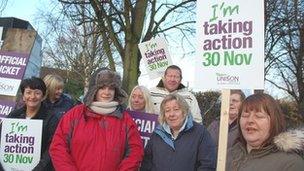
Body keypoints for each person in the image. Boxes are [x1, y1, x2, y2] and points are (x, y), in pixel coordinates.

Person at [49, 69, 144, 170]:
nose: (107, 92)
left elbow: (135, 151)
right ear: (94, 90)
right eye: (102, 88)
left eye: (111, 88)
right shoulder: (75, 115)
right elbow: (58, 147)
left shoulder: (125, 120)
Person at [226, 93, 304, 171]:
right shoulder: (226, 156)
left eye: (259, 116)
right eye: (245, 115)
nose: (250, 120)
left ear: (274, 121)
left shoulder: (291, 164)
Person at [141, 94, 216, 171]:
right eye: (167, 110)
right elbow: (146, 164)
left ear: (184, 112)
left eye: (176, 109)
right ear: (164, 115)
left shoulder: (200, 133)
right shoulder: (157, 134)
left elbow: (207, 165)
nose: (171, 114)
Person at [6, 77, 58, 171]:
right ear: (23, 96)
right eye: (28, 92)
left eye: (37, 93)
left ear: (43, 96)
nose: (32, 96)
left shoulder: (51, 119)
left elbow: (51, 150)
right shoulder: (13, 115)